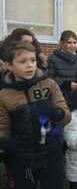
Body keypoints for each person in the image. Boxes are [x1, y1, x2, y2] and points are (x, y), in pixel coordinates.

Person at [0, 41, 71, 189]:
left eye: (32, 60)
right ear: (9, 65)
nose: (30, 65)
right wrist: (8, 146)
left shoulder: (49, 84)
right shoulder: (4, 95)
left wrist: (56, 113)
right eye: (22, 61)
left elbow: (67, 116)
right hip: (23, 158)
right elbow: (3, 128)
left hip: (51, 153)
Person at [48, 30, 77, 100]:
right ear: (61, 43)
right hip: (61, 97)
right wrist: (67, 85)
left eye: (75, 43)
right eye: (69, 42)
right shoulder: (53, 58)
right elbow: (50, 78)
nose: (72, 46)